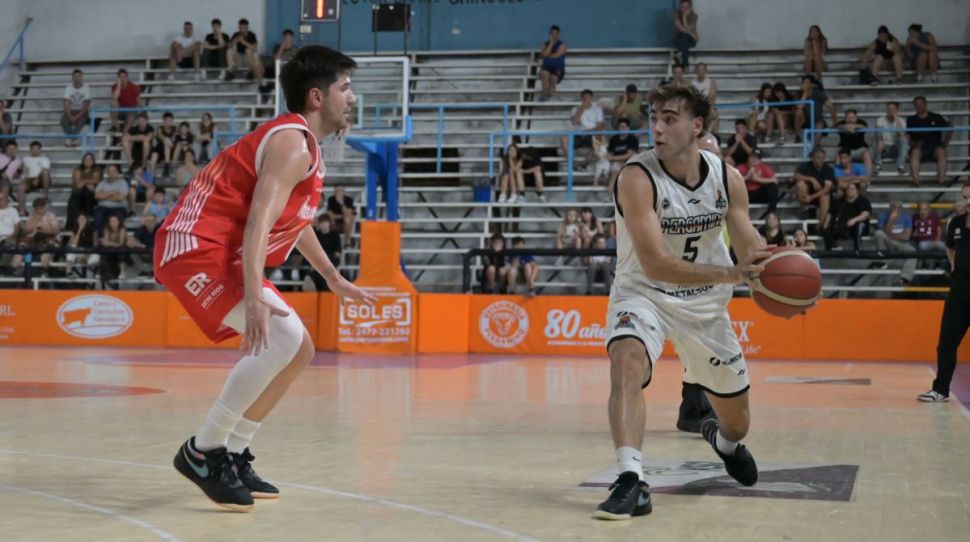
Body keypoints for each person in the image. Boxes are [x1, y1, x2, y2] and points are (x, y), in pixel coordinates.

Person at [154, 46, 375, 511]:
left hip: (224, 252)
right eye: (345, 88)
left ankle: (233, 454)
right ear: (317, 97)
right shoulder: (291, 144)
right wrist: (254, 298)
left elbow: (295, 222)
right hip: (193, 246)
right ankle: (203, 451)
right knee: (282, 336)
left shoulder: (305, 149)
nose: (352, 97)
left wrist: (332, 276)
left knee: (300, 348)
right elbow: (258, 221)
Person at [595, 84, 771, 520]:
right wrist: (732, 273)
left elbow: (749, 245)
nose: (656, 127)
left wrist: (774, 271)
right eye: (654, 118)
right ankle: (630, 478)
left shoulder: (727, 178)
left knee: (739, 423)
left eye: (669, 119)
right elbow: (656, 263)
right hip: (644, 293)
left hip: (706, 308)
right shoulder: (636, 177)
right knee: (626, 361)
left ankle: (723, 442)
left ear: (697, 126)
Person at [918, 183, 970, 402]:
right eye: (965, 197)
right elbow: (949, 247)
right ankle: (940, 390)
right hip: (959, 290)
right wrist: (954, 265)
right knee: (947, 341)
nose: (968, 202)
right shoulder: (956, 223)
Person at [906, 96, 951, 186]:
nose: (919, 106)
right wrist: (913, 143)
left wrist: (945, 143)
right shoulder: (911, 119)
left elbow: (950, 127)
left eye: (921, 104)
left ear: (926, 105)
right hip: (919, 148)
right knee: (915, 152)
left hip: (935, 147)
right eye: (917, 104)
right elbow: (906, 135)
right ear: (914, 106)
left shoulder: (936, 117)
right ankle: (916, 181)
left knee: (941, 151)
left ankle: (941, 180)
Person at [874, 200, 917, 285]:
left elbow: (906, 237)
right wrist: (890, 219)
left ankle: (904, 278)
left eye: (899, 207)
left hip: (901, 243)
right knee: (878, 233)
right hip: (887, 242)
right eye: (894, 207)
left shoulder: (906, 217)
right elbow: (883, 233)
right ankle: (882, 260)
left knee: (913, 252)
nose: (896, 209)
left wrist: (891, 235)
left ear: (901, 209)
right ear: (890, 208)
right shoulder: (883, 216)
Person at [793, 147, 835, 226]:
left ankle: (821, 227)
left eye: (823, 158)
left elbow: (827, 188)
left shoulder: (828, 169)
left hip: (819, 196)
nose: (821, 160)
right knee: (800, 184)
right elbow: (796, 176)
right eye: (818, 158)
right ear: (812, 158)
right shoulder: (805, 165)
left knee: (825, 196)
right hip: (806, 195)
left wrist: (812, 197)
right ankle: (803, 210)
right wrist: (811, 179)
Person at [823, 183, 871, 251]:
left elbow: (866, 214)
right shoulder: (839, 201)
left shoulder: (863, 200)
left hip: (857, 225)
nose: (849, 190)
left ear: (857, 190)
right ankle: (832, 249)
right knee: (827, 229)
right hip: (842, 225)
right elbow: (830, 212)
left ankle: (857, 250)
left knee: (858, 226)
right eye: (848, 188)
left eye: (852, 188)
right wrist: (825, 225)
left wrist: (854, 220)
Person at [66, 152, 101, 231]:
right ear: (83, 160)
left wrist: (84, 182)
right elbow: (77, 182)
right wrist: (88, 183)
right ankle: (70, 228)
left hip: (91, 194)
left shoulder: (97, 169)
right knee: (73, 201)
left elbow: (96, 180)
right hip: (79, 194)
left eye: (90, 159)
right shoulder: (78, 169)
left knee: (88, 194)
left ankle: (87, 226)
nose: (88, 161)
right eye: (86, 159)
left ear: (93, 161)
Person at [737, 148, 778, 212]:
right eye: (752, 157)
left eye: (757, 158)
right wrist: (746, 177)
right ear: (748, 157)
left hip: (758, 194)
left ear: (760, 161)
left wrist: (757, 179)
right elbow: (732, 183)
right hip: (745, 194)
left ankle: (772, 212)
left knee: (772, 186)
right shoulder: (740, 167)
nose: (754, 159)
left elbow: (775, 180)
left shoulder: (763, 167)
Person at [835, 109, 873, 176]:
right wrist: (846, 127)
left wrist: (854, 126)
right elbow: (835, 127)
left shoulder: (861, 122)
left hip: (859, 150)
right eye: (848, 118)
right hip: (845, 150)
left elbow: (865, 127)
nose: (850, 120)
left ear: (856, 117)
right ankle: (839, 177)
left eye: (852, 117)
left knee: (867, 154)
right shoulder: (841, 123)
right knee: (838, 154)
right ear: (845, 118)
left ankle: (867, 177)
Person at [226, 18, 264, 84]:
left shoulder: (252, 35)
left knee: (248, 50)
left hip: (248, 59)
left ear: (247, 28)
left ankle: (250, 71)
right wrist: (235, 41)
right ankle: (231, 72)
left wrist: (243, 41)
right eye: (240, 28)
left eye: (244, 28)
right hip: (239, 59)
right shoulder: (236, 34)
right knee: (229, 50)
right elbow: (228, 46)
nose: (242, 29)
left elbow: (255, 49)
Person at [875, 101, 909, 174]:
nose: (890, 110)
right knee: (877, 141)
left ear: (897, 110)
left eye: (893, 109)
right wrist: (880, 140)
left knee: (903, 140)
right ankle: (878, 166)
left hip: (895, 148)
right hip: (884, 148)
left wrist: (896, 120)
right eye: (889, 109)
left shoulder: (902, 120)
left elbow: (902, 134)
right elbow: (878, 133)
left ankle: (900, 166)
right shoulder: (880, 120)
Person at [18, 141, 51, 216]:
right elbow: (22, 170)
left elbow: (45, 170)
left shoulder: (45, 159)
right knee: (21, 188)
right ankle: (22, 210)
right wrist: (22, 176)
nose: (35, 150)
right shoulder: (25, 159)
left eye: (36, 149)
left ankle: (45, 196)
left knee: (45, 173)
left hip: (42, 178)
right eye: (33, 149)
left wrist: (37, 179)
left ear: (40, 150)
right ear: (30, 150)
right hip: (30, 179)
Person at [61, 68, 91, 146]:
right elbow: (66, 105)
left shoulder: (86, 88)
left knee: (82, 121)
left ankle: (70, 138)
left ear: (82, 77)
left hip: (82, 111)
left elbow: (85, 107)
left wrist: (76, 117)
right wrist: (70, 116)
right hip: (71, 110)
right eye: (75, 77)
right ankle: (74, 139)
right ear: (72, 78)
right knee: (63, 121)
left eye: (78, 76)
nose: (77, 78)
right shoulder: (68, 88)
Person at [537, 25, 566, 101]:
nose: (553, 35)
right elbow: (544, 55)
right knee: (544, 74)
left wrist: (546, 55)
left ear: (558, 34)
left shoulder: (562, 45)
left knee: (553, 79)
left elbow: (556, 55)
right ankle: (545, 93)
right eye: (552, 33)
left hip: (558, 68)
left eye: (555, 33)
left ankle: (549, 95)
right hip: (546, 67)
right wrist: (551, 44)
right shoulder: (544, 44)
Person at [110, 69, 141, 133]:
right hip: (120, 111)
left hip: (131, 110)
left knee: (131, 114)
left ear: (127, 78)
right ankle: (114, 126)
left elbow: (138, 101)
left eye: (124, 77)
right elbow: (114, 98)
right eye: (120, 77)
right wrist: (119, 86)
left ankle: (124, 134)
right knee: (113, 103)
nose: (122, 79)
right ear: (118, 78)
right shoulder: (114, 86)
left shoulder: (134, 87)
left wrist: (143, 113)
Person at [672, 0, 699, 68]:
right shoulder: (676, 14)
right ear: (680, 7)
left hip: (691, 40)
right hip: (679, 39)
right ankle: (685, 64)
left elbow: (691, 28)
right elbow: (680, 28)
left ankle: (680, 55)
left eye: (686, 7)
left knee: (685, 37)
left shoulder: (694, 15)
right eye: (682, 7)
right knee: (683, 37)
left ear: (690, 7)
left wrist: (684, 18)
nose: (684, 9)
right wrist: (692, 34)